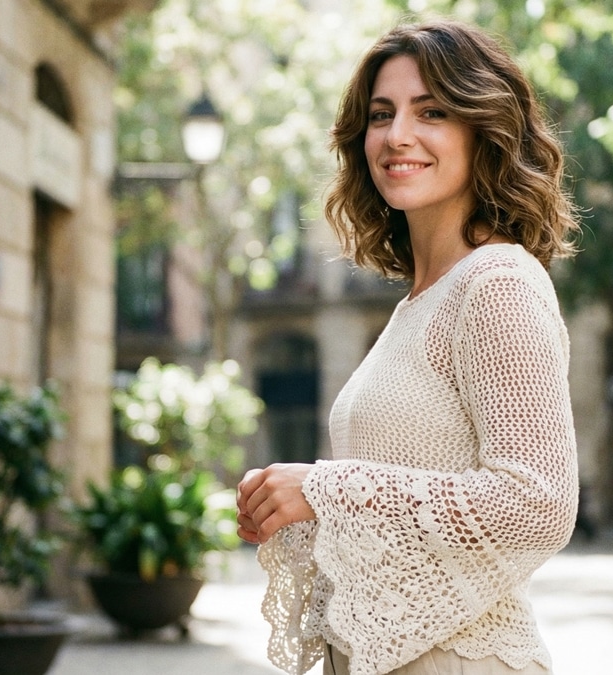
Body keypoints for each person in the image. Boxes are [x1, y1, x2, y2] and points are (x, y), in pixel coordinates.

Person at [236, 18, 580, 675]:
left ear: (482, 129)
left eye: (432, 112)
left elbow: (539, 504)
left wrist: (325, 489)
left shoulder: (496, 283)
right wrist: (297, 507)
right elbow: (403, 508)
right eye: (381, 114)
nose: (397, 135)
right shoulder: (419, 302)